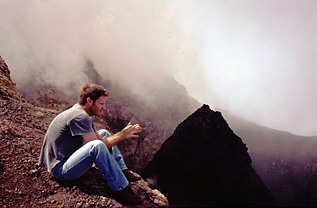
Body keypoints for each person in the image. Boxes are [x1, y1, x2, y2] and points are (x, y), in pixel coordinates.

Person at [38, 83, 143, 205]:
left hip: (67, 157)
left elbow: (102, 140)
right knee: (97, 146)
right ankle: (121, 189)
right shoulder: (80, 117)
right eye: (101, 104)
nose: (104, 108)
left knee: (103, 133)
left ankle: (121, 170)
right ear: (89, 101)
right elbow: (99, 145)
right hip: (61, 170)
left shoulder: (80, 113)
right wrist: (122, 134)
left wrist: (122, 134)